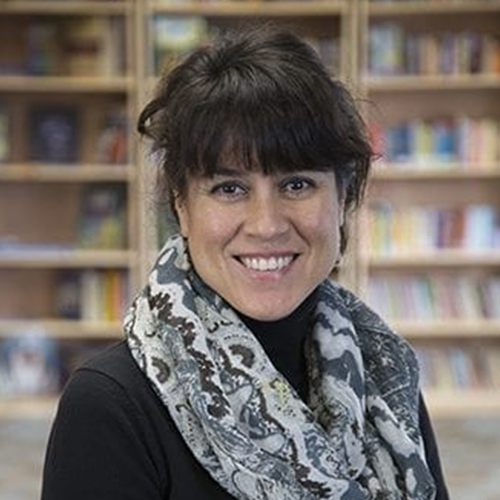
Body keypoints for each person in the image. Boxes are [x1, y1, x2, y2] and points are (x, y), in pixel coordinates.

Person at [42, 27, 449, 500]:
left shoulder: (384, 378)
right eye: (229, 189)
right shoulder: (112, 406)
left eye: (296, 184)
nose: (267, 224)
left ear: (343, 199)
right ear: (181, 207)